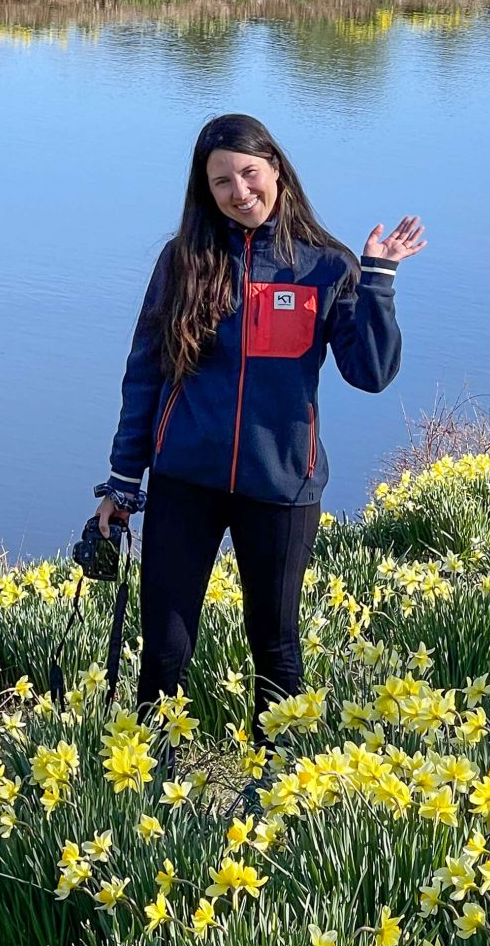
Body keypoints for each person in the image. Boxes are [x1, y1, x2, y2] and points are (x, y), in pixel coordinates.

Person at [93, 113, 425, 742]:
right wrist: (122, 480)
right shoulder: (183, 261)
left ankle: (277, 791)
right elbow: (144, 374)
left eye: (249, 173)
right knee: (163, 648)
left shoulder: (326, 266)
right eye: (221, 182)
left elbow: (372, 373)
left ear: (276, 168)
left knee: (275, 648)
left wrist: (379, 279)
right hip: (185, 479)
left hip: (281, 486)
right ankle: (146, 780)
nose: (239, 191)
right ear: (205, 191)